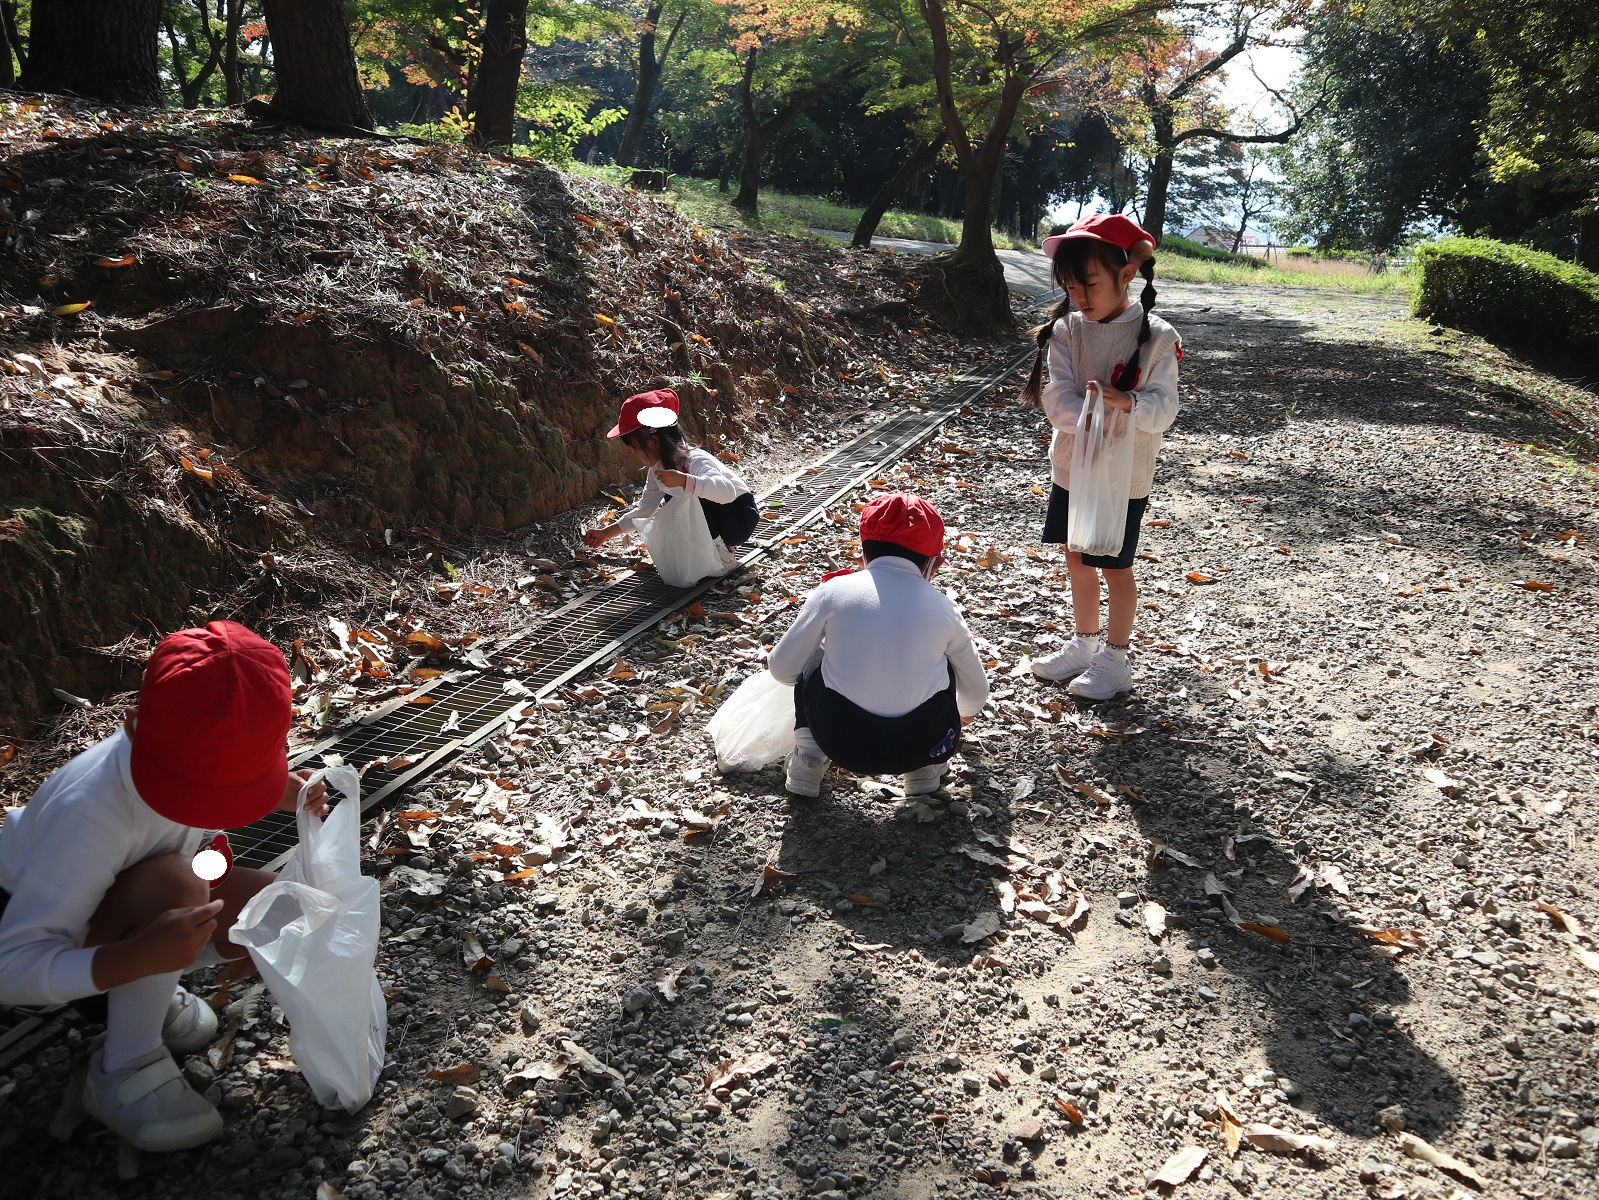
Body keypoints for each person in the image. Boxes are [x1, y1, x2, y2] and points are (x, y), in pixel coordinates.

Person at [0, 621, 328, 1153]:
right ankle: (123, 1064)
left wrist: (274, 793)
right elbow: (9, 970)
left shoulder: (172, 743)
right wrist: (134, 959)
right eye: (193, 793)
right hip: (41, 935)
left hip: (127, 904)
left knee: (276, 907)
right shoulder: (90, 813)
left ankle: (143, 997)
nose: (209, 811)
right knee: (179, 881)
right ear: (130, 724)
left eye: (231, 793)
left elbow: (205, 832)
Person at [1019, 213, 1182, 700]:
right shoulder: (1069, 330)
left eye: (1090, 283)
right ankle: (1084, 643)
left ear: (1126, 274)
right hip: (1072, 469)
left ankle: (1116, 659)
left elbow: (1164, 409)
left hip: (1123, 478)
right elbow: (1057, 398)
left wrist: (1124, 401)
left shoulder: (1157, 338)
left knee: (1115, 565)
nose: (1081, 297)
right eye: (1071, 286)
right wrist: (1092, 410)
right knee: (1076, 558)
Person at [767, 493, 989, 798]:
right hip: (922, 745)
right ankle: (924, 769)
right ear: (934, 564)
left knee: (814, 654)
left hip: (840, 741)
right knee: (947, 660)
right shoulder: (944, 609)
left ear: (862, 554)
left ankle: (809, 758)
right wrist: (960, 711)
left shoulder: (833, 592)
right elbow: (977, 694)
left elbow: (781, 668)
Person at [582, 388, 757, 576]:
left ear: (653, 440)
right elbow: (644, 511)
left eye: (634, 446)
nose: (633, 453)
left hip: (738, 517)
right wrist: (605, 534)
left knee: (688, 492)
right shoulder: (658, 469)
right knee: (675, 501)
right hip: (719, 519)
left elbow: (727, 493)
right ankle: (710, 551)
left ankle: (724, 556)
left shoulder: (694, 460)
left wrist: (684, 480)